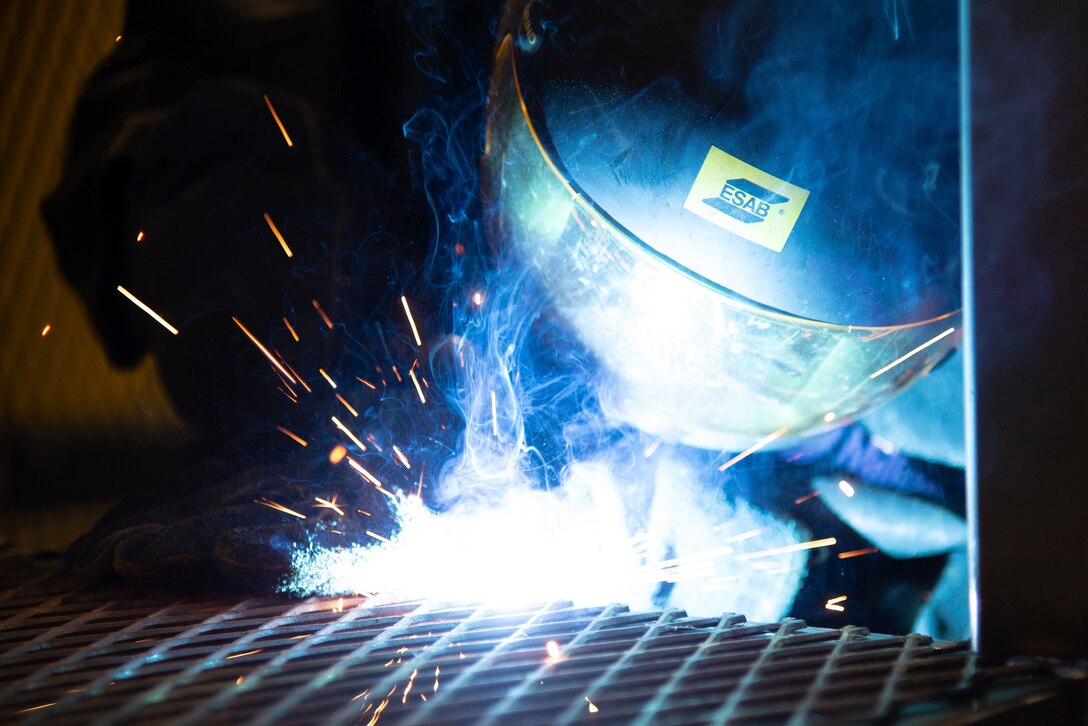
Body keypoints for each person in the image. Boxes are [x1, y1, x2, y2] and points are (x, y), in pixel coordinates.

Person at [45, 0, 967, 637]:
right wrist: (306, 327)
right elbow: (173, 91)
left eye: (768, 351)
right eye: (600, 277)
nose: (653, 374)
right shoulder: (402, 53)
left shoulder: (986, 309)